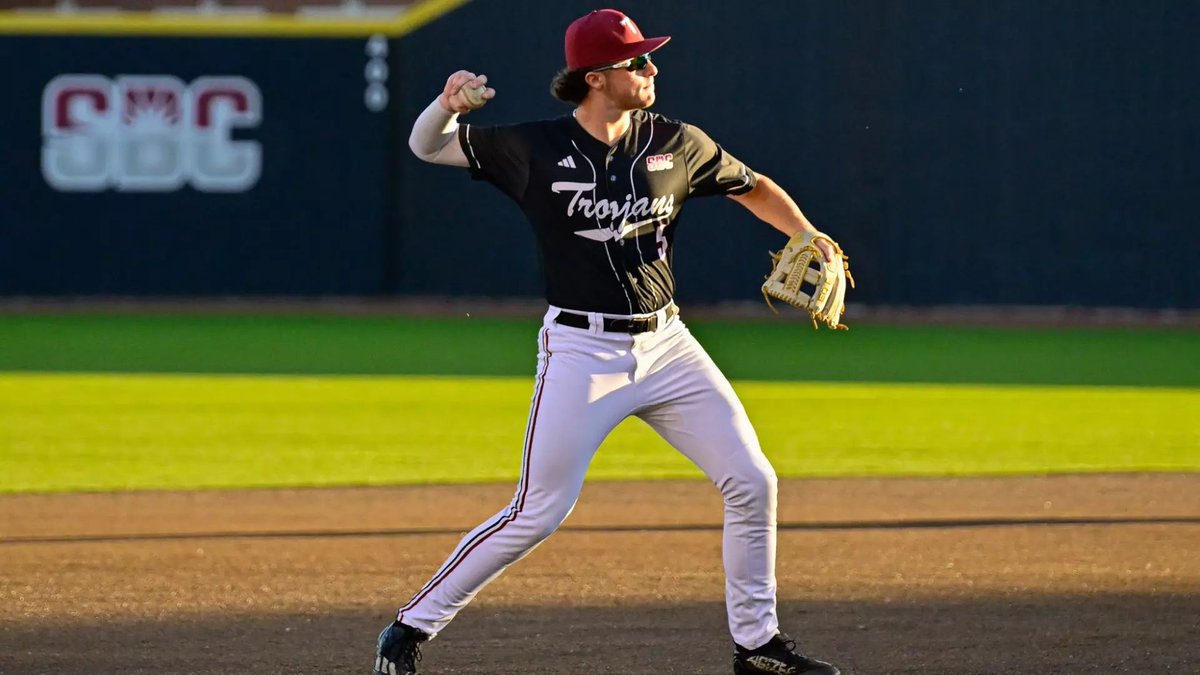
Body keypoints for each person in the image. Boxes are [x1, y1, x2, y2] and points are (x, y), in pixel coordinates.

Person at [374, 8, 842, 675]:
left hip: (669, 345)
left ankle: (758, 646)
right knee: (539, 510)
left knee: (752, 479)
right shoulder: (533, 148)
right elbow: (428, 145)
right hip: (581, 352)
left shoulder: (678, 142)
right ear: (598, 79)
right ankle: (411, 625)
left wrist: (807, 232)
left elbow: (753, 186)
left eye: (649, 58)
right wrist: (446, 105)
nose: (652, 69)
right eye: (637, 62)